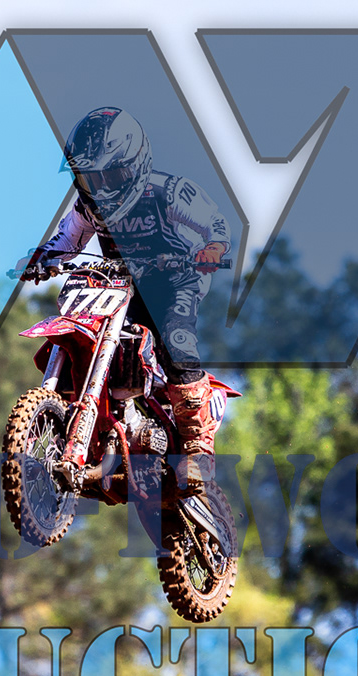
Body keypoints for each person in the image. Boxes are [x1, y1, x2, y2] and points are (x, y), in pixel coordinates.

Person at [26, 107, 230, 490]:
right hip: (120, 286)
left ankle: (197, 449)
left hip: (172, 280)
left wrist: (213, 248)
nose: (101, 186)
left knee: (176, 339)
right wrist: (41, 259)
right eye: (91, 176)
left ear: (134, 165)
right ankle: (90, 428)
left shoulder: (166, 191)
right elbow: (66, 241)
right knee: (91, 330)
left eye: (111, 175)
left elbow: (214, 222)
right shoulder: (88, 208)